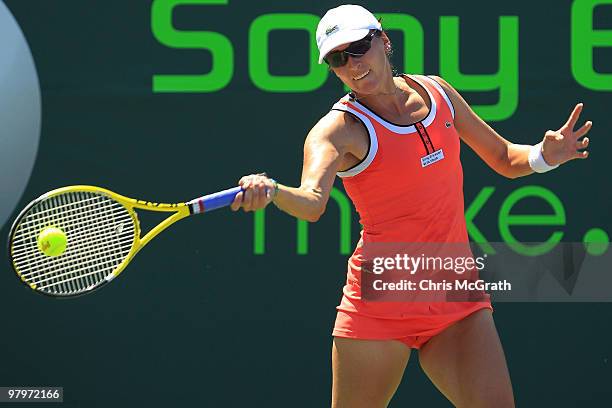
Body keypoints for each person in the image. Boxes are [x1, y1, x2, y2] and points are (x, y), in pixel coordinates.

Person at [230, 4, 592, 407]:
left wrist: (544, 155)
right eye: (337, 58)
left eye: (359, 48)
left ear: (383, 41)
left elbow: (505, 158)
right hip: (381, 299)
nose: (352, 64)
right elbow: (313, 202)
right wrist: (274, 190)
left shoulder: (437, 91)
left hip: (454, 292)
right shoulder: (335, 132)